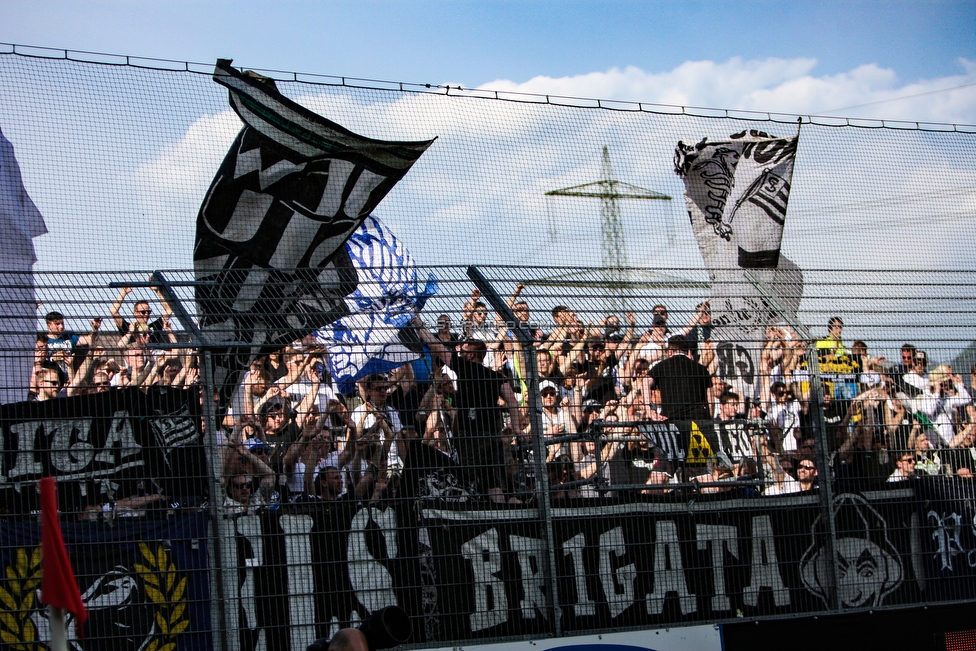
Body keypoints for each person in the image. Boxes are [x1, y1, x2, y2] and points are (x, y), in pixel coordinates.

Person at [108, 280, 174, 345]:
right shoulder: (128, 327)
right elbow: (113, 311)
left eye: (149, 312)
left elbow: (169, 310)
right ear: (135, 313)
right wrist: (123, 293)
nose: (146, 314)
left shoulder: (155, 327)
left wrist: (157, 291)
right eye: (143, 312)